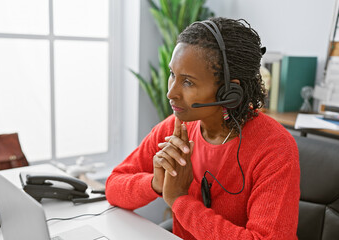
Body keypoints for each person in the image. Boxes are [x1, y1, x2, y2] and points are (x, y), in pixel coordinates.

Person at [105, 17, 300, 240]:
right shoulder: (176, 128)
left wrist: (179, 200)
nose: (171, 93)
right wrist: (155, 183)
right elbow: (113, 186)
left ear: (229, 92)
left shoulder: (275, 148)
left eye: (188, 82)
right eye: (172, 75)